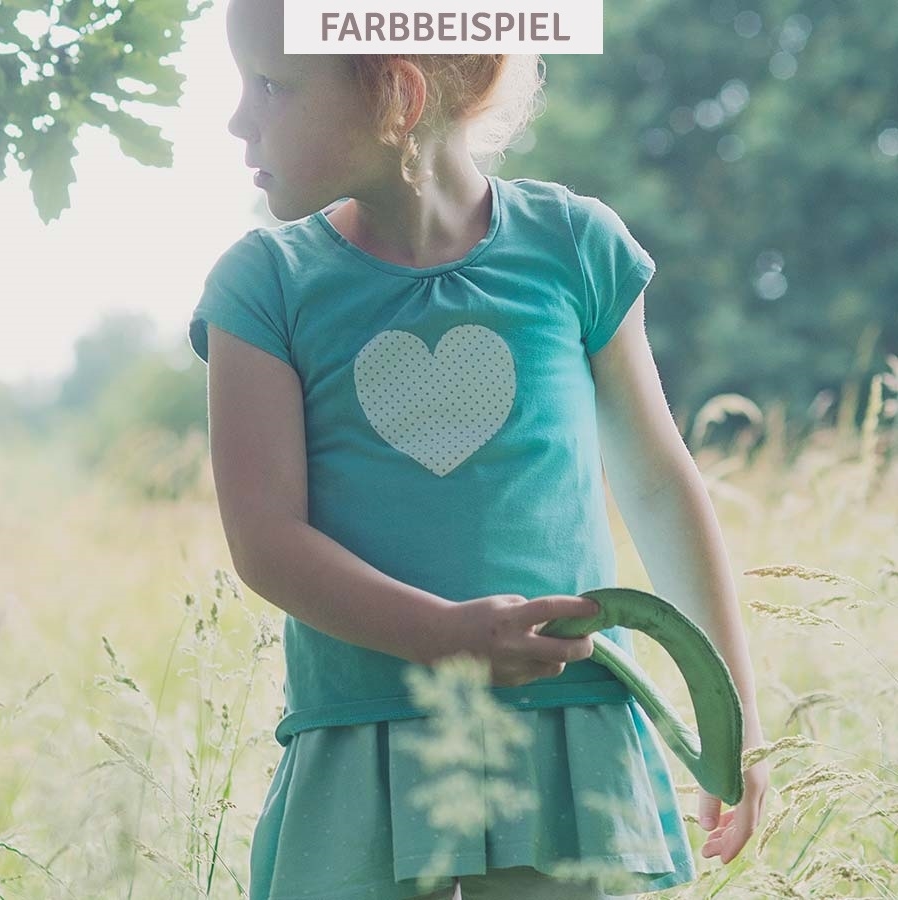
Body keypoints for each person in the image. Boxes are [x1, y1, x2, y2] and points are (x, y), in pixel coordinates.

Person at [187, 2, 769, 898]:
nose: (239, 117)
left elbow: (656, 481)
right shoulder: (264, 286)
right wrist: (444, 636)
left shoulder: (575, 248)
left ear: (397, 96)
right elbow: (266, 537)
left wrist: (734, 719)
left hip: (567, 733)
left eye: (271, 85)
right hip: (365, 736)